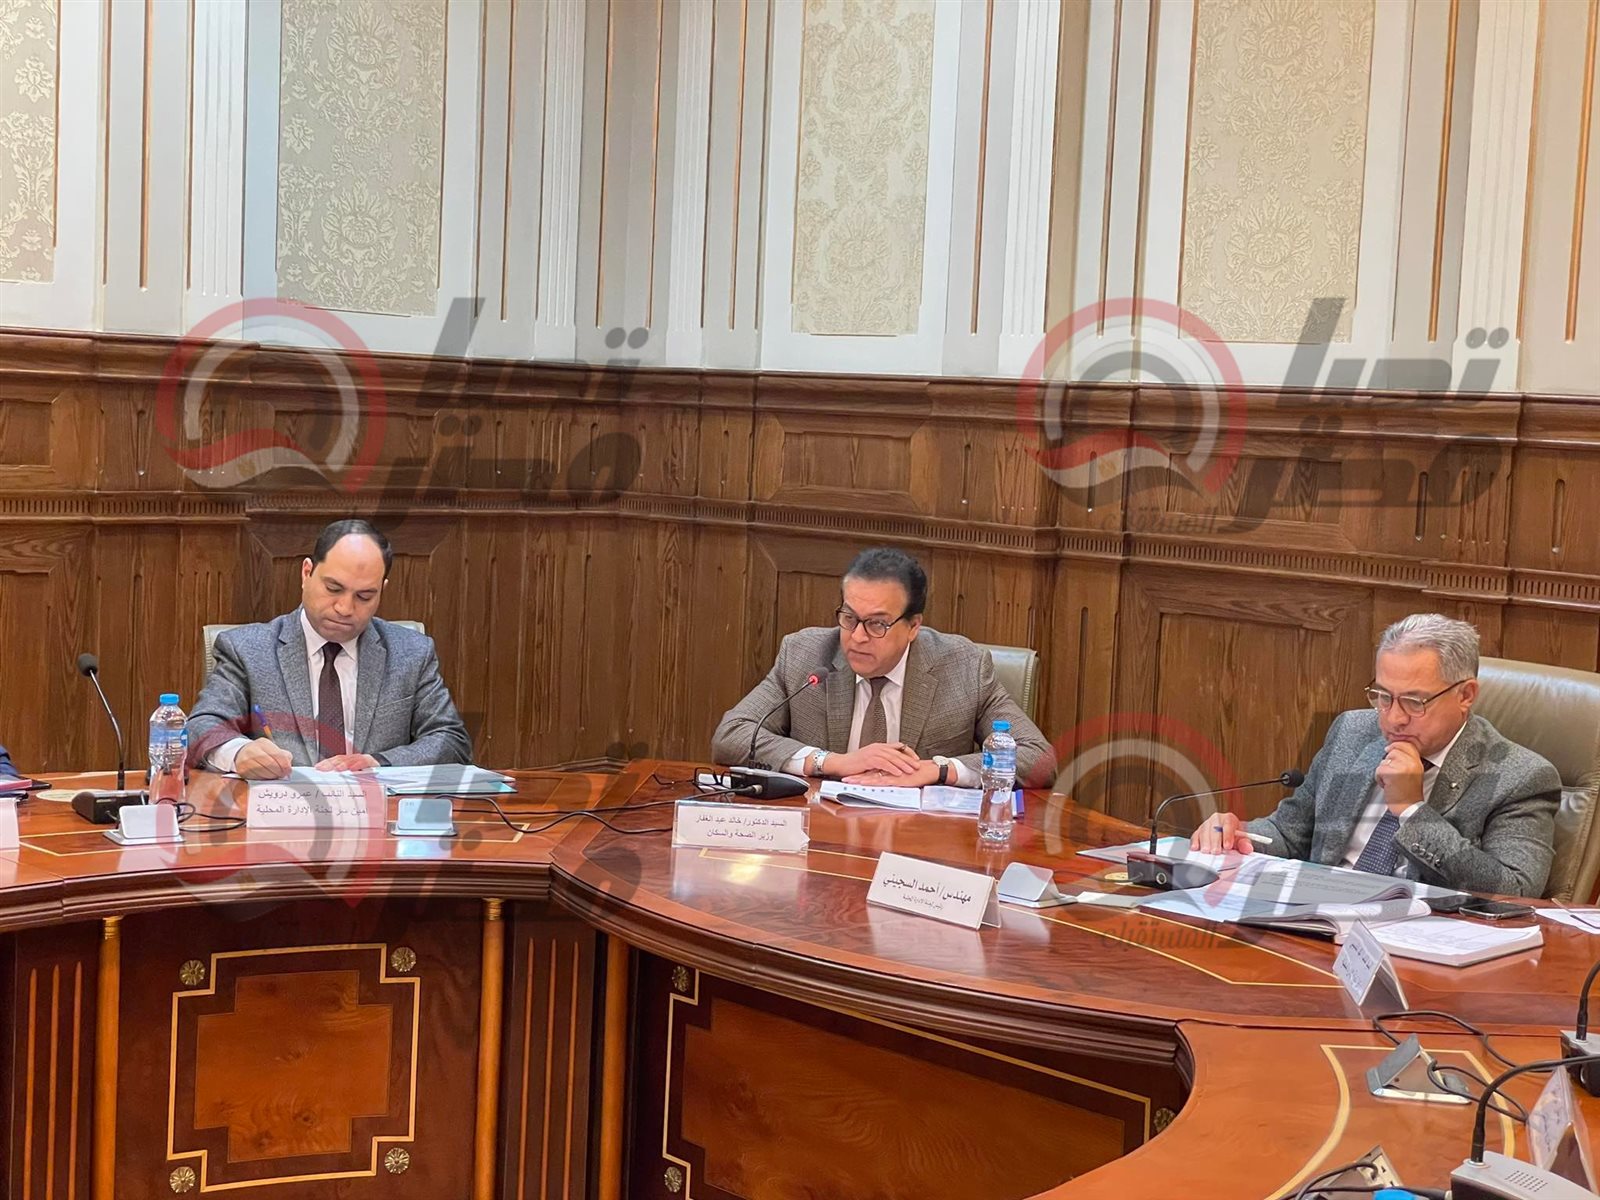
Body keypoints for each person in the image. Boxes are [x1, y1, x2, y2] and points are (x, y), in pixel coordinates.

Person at [1192, 614, 1560, 897]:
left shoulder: (1520, 776)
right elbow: (1290, 834)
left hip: (1417, 942)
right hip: (1314, 919)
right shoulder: (1353, 732)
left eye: (1414, 702)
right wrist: (1237, 833)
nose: (1393, 718)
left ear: (1465, 695)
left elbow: (1514, 892)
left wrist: (1412, 811)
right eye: (1383, 696)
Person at [711, 547, 1055, 787]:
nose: (857, 637)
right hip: (822, 835)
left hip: (920, 847)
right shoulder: (804, 655)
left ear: (913, 626)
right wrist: (832, 761)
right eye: (849, 618)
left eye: (877, 624)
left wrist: (938, 770)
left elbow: (1038, 758)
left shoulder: (964, 668)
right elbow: (732, 736)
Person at [188, 519, 472, 780]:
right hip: (281, 808)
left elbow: (450, 739)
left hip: (378, 810)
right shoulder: (247, 649)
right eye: (334, 588)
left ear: (382, 590)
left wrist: (379, 762)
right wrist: (238, 753)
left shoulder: (411, 652)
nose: (345, 608)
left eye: (364, 596)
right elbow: (201, 726)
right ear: (307, 573)